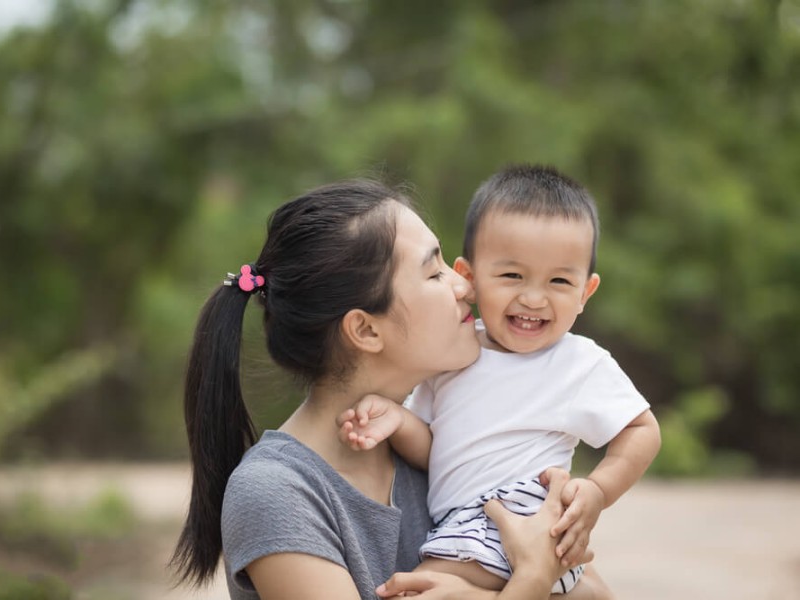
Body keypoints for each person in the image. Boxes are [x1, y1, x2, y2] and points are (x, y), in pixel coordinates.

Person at [171, 179, 613, 599]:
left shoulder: (442, 446)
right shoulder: (277, 491)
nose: (466, 285)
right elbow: (545, 576)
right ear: (365, 329)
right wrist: (530, 581)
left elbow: (594, 591)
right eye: (435, 274)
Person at [339, 166, 662, 594]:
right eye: (512, 276)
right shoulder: (455, 355)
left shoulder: (577, 363)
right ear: (469, 278)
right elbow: (438, 450)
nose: (533, 297)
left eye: (560, 281)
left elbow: (642, 429)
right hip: (462, 525)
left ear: (585, 293)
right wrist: (397, 420)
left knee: (421, 586)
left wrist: (598, 491)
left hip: (524, 513)